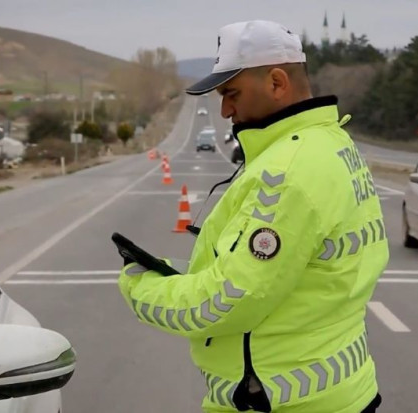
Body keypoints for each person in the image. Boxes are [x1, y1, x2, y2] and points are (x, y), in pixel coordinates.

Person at [118, 20, 388, 413]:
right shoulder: (332, 142)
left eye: (232, 94)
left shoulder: (287, 171)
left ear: (277, 83)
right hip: (340, 390)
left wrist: (138, 285)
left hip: (284, 402)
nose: (225, 110)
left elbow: (228, 299)